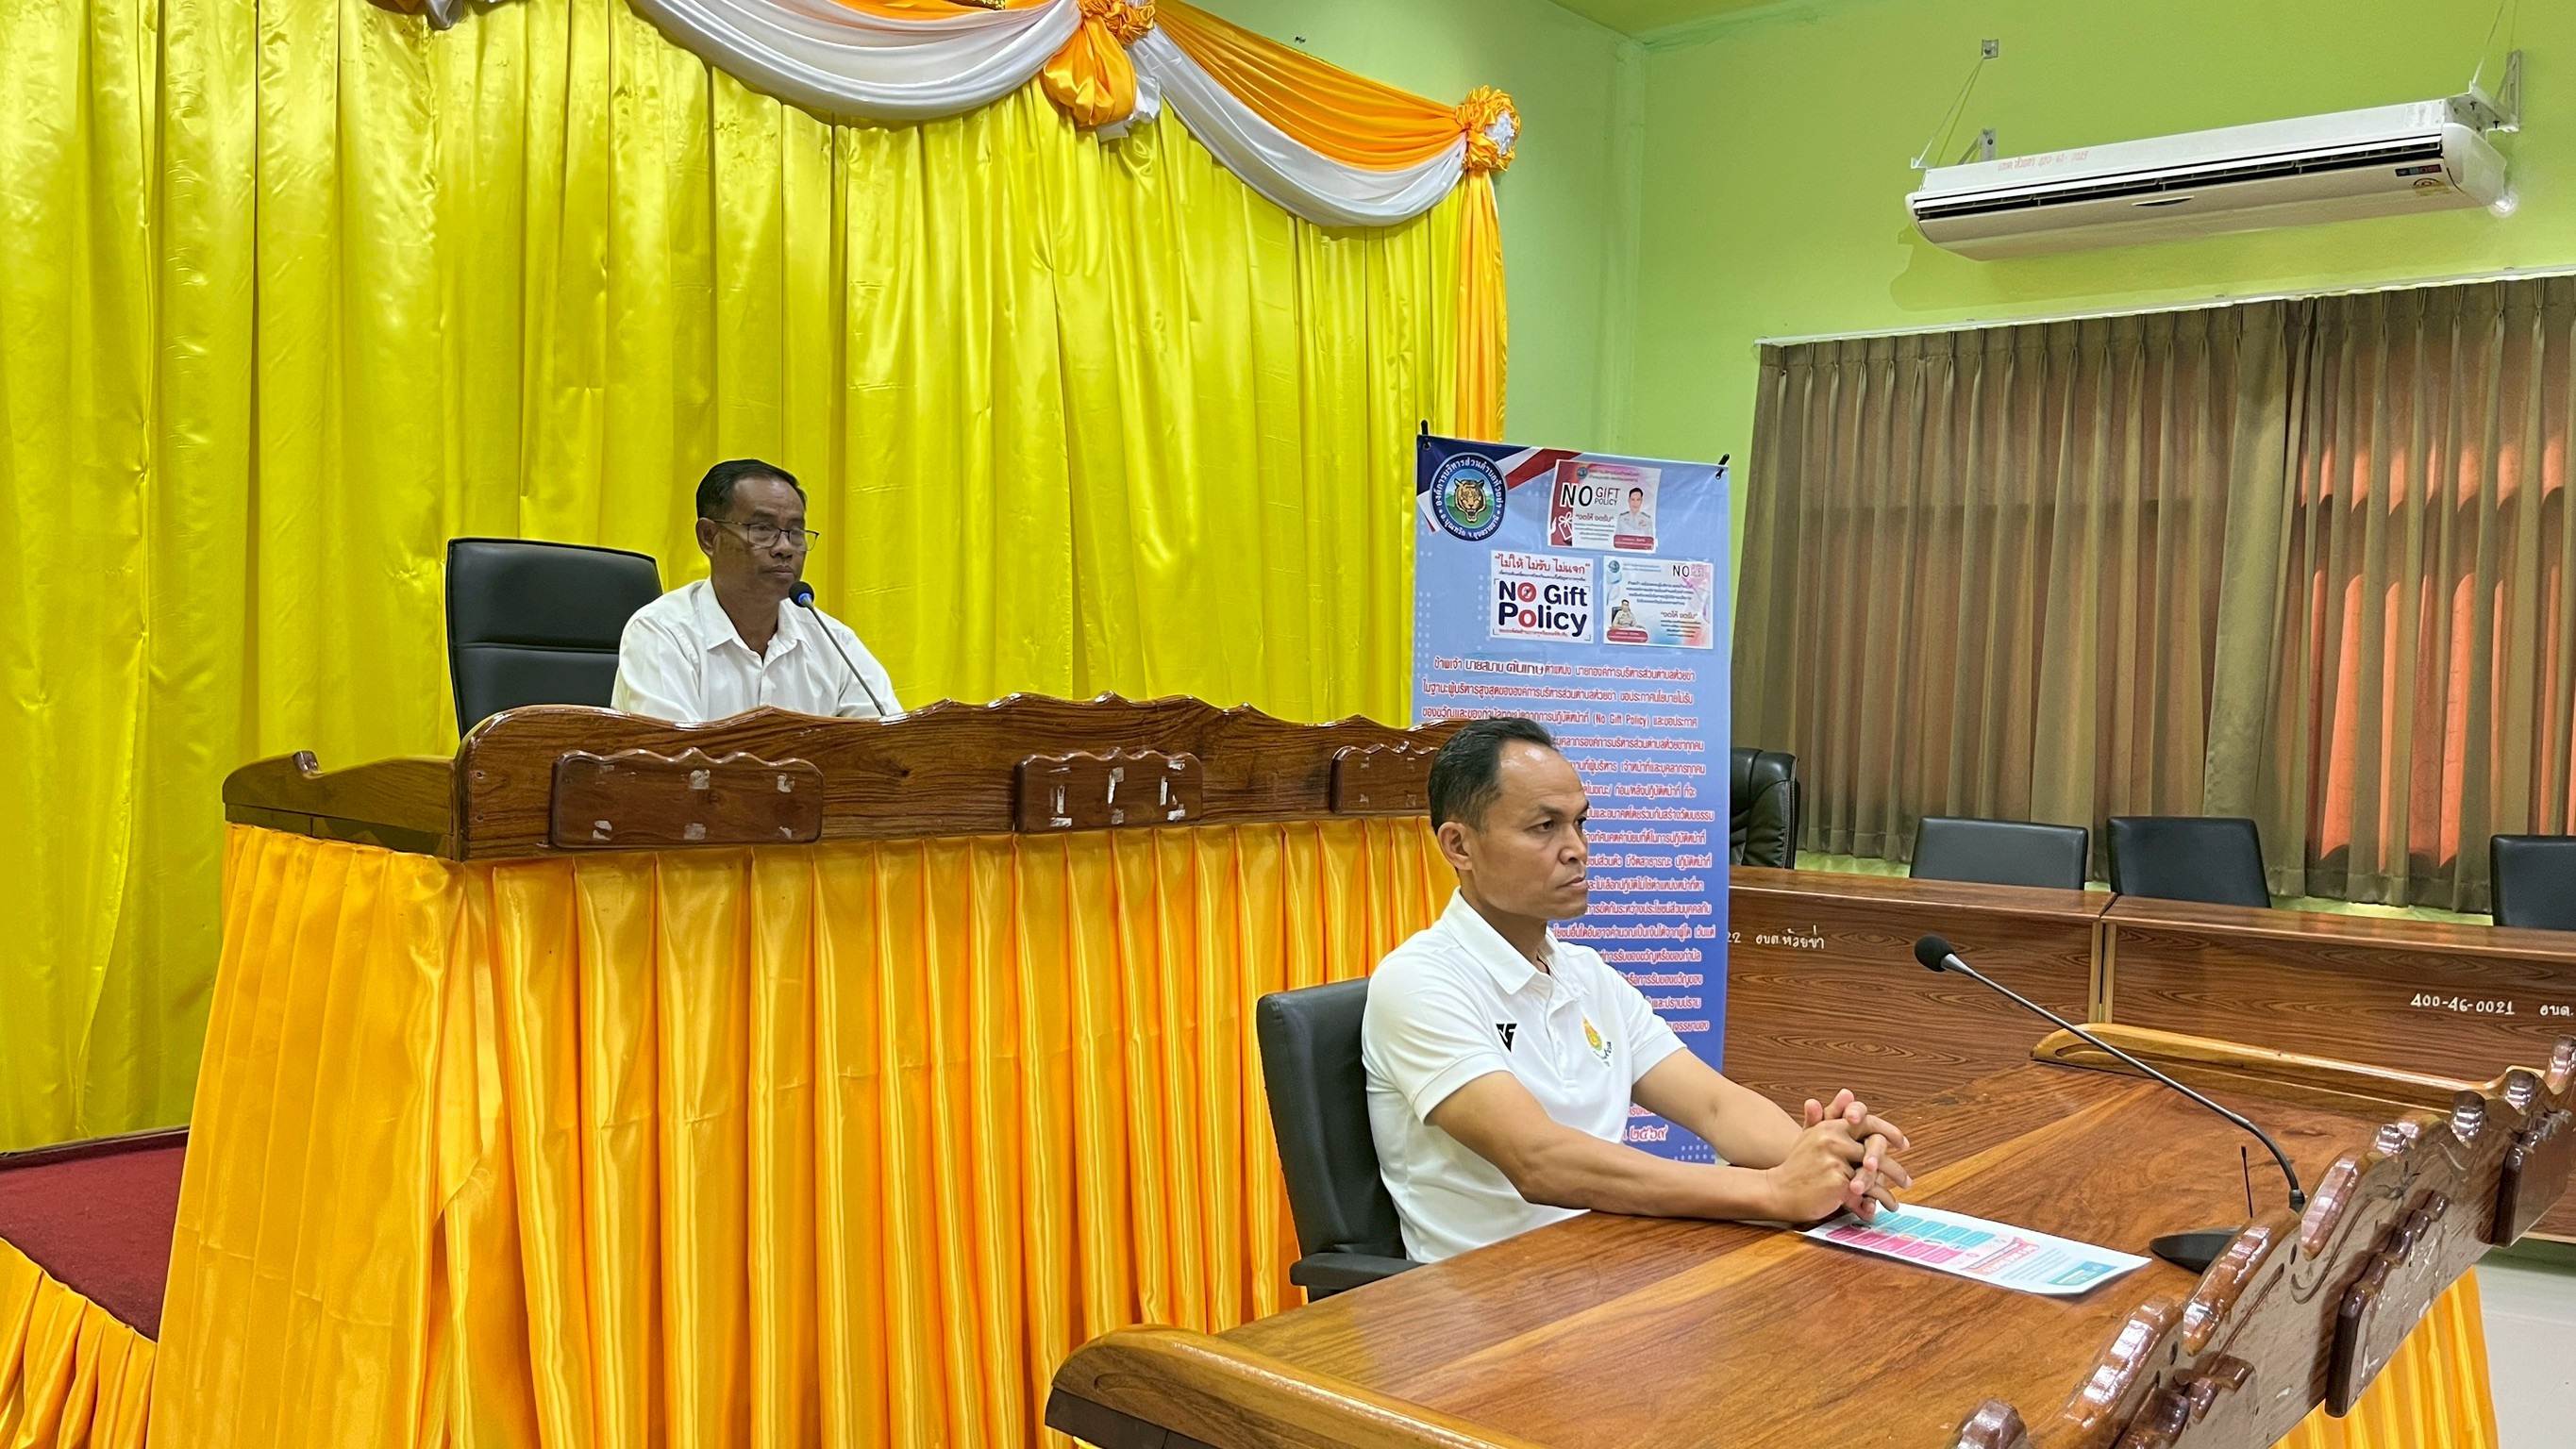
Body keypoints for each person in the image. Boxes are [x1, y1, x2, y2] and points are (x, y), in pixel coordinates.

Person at [1363, 716, 1910, 1261]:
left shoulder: (1586, 973)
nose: (1576, 848)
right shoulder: (1420, 981)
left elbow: (1715, 1107)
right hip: (1480, 1294)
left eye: (1580, 823)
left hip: (1606, 1263)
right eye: (1544, 827)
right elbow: (1538, 1160)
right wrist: (1772, 1189)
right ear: (1459, 845)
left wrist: (1827, 1161)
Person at [611, 458, 902, 724]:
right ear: (709, 537)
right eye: (763, 529)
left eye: (795, 532)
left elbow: (892, 745)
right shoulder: (662, 632)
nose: (785, 548)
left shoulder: (833, 641)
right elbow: (673, 757)